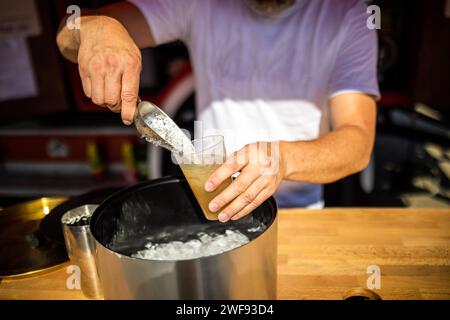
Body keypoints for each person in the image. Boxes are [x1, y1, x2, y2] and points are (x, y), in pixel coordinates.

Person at [57, 0, 379, 222]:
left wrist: (284, 159)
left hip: (296, 214)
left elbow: (358, 143)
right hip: (210, 208)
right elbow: (67, 32)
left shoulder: (349, 14)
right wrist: (98, 29)